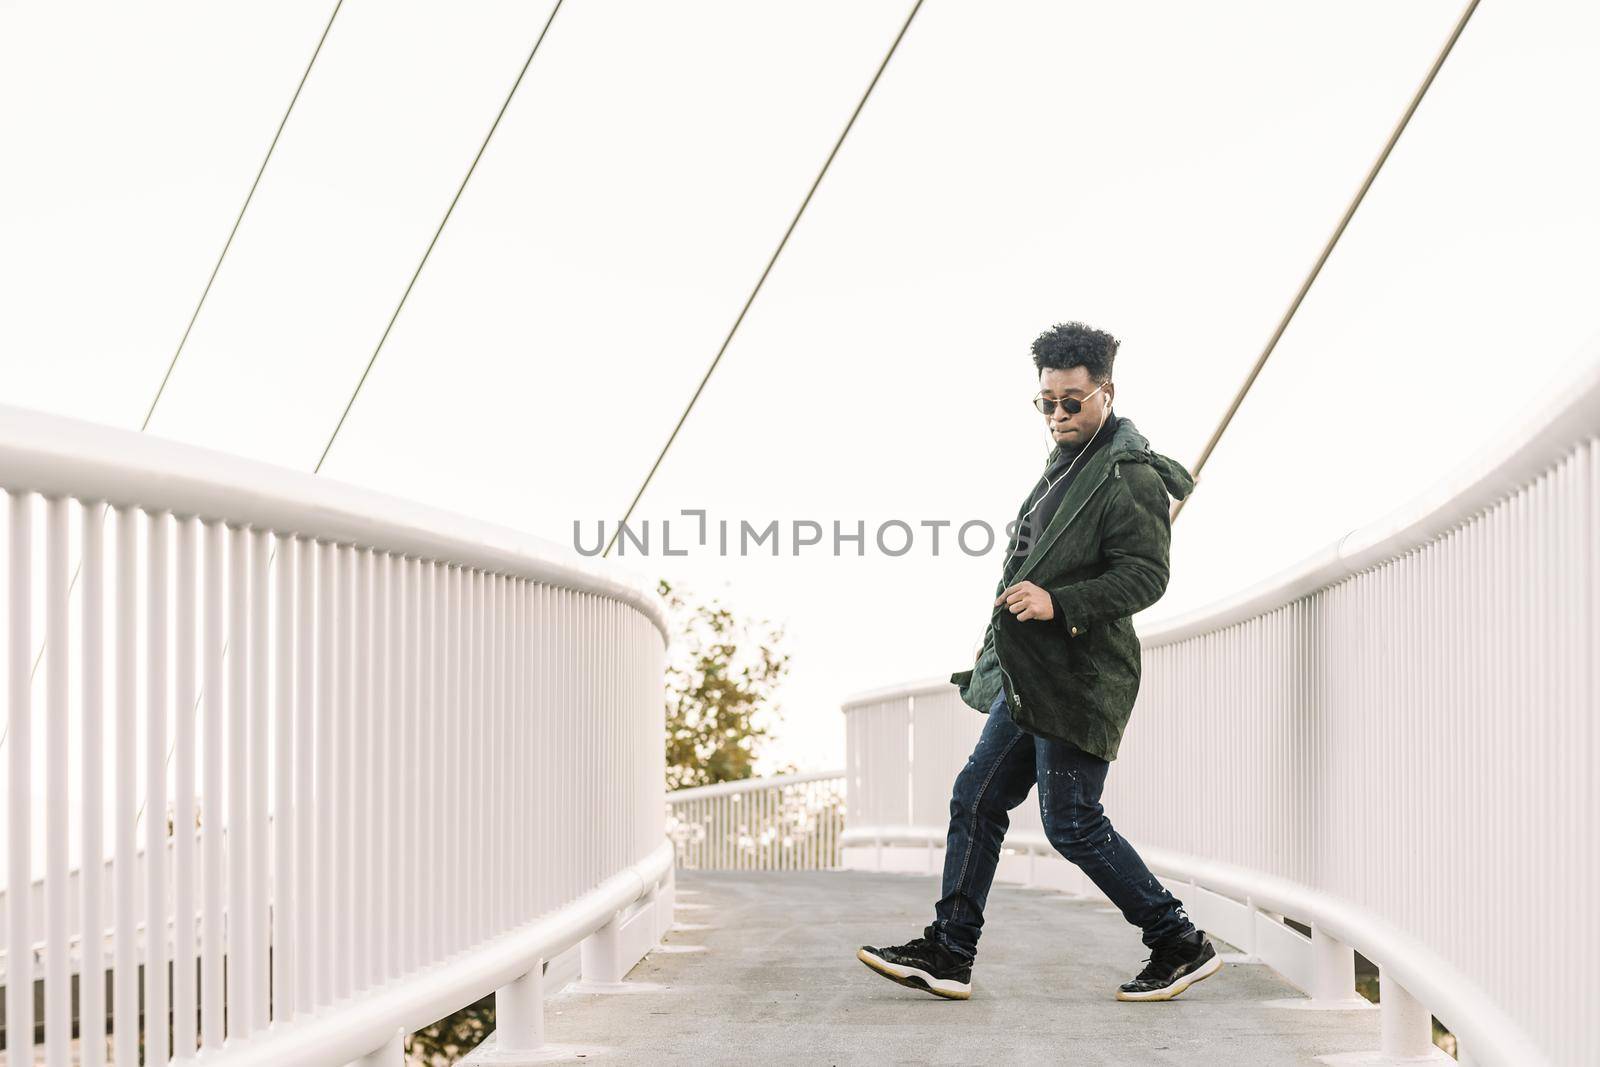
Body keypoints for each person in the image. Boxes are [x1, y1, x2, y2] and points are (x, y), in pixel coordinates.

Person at [856, 321, 1219, 1003]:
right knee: (979, 794)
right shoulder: (1065, 464)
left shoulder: (1129, 476)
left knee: (1072, 820)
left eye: (1072, 401)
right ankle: (949, 951)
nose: (1057, 415)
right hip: (1033, 674)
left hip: (1080, 677)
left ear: (1107, 392)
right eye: (1046, 402)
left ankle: (1178, 939)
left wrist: (1058, 602)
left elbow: (1145, 576)